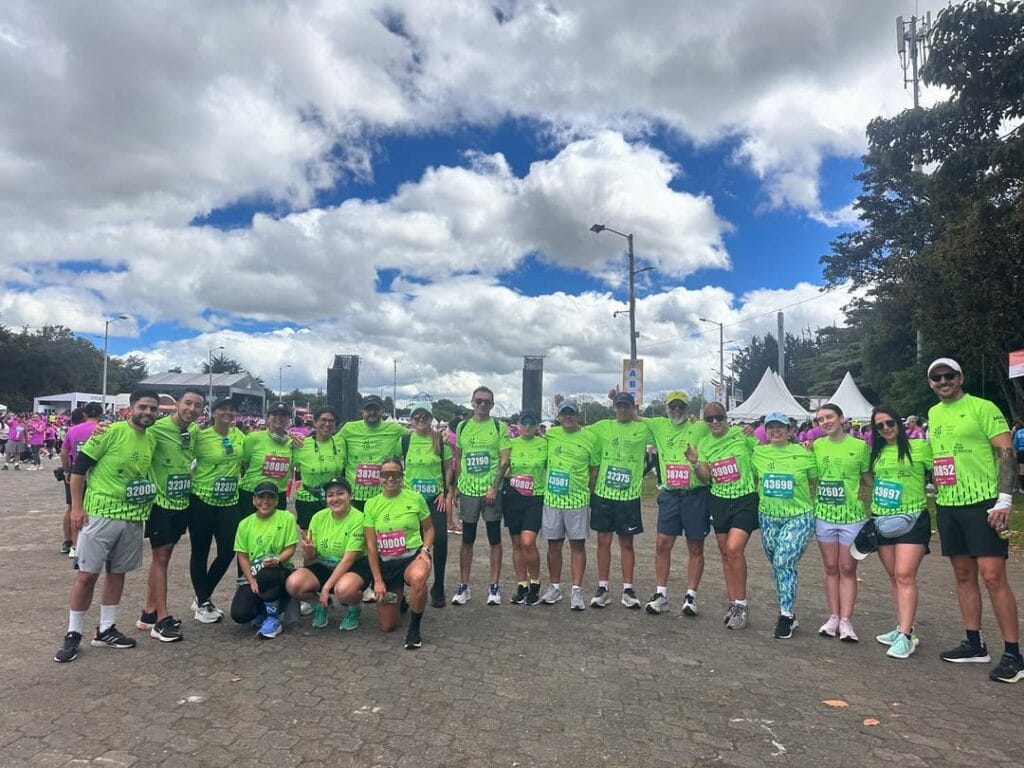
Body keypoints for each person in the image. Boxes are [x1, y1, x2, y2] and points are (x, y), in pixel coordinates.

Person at [926, 358, 1022, 683]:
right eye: (937, 378)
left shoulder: (983, 406)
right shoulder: (934, 413)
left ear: (960, 377)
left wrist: (1005, 499)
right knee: (963, 575)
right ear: (931, 383)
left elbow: (1007, 452)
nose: (943, 381)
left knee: (993, 577)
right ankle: (974, 642)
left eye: (948, 375)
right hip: (949, 504)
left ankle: (1013, 653)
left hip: (983, 504)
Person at [54, 390, 161, 663]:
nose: (148, 413)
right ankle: (73, 632)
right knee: (87, 574)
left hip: (133, 516)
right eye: (143, 407)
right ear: (131, 408)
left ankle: (106, 629)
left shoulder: (151, 438)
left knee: (117, 573)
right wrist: (77, 507)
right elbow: (79, 469)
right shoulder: (108, 432)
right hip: (100, 514)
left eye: (153, 409)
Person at [135, 388, 204, 642]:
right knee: (161, 557)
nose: (192, 409)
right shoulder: (155, 430)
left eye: (197, 405)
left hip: (181, 502)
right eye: (188, 403)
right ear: (177, 405)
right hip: (160, 504)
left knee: (162, 558)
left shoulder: (194, 431)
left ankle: (149, 612)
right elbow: (132, 434)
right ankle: (162, 620)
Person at [864, 405, 933, 659]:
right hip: (883, 520)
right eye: (879, 426)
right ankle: (902, 627)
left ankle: (905, 636)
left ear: (899, 423)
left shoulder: (919, 447)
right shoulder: (877, 453)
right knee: (894, 576)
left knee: (905, 575)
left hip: (913, 519)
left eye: (890, 423)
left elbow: (941, 468)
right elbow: (869, 478)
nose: (886, 429)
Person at [640, 391, 712, 618]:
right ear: (666, 408)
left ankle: (691, 596)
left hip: (695, 494)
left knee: (695, 546)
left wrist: (748, 430)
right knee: (662, 544)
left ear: (687, 408)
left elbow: (721, 428)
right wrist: (618, 397)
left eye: (681, 406)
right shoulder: (659, 425)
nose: (677, 410)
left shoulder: (699, 427)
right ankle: (661, 594)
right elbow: (631, 415)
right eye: (673, 406)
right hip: (670, 495)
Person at [750, 412, 817, 639]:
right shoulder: (758, 453)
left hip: (799, 516)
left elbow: (816, 479)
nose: (776, 431)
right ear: (765, 430)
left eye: (781, 427)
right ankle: (789, 610)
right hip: (768, 517)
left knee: (783, 560)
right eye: (771, 427)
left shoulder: (804, 453)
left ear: (790, 430)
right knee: (779, 566)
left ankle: (785, 615)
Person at [694, 402, 760, 624]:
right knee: (725, 553)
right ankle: (734, 602)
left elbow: (765, 454)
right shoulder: (704, 442)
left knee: (734, 549)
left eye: (719, 417)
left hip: (745, 499)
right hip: (719, 500)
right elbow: (705, 476)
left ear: (726, 418)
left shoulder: (742, 435)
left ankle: (742, 604)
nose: (714, 422)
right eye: (709, 419)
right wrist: (695, 463)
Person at [587, 392, 654, 610]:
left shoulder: (643, 429)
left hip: (628, 497)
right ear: (614, 407)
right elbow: (577, 431)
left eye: (626, 406)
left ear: (633, 408)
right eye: (619, 406)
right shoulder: (603, 426)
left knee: (626, 543)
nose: (622, 410)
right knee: (603, 542)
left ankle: (628, 589)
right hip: (604, 495)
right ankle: (602, 588)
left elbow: (665, 434)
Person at [811, 403, 870, 642]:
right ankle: (833, 616)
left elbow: (868, 479)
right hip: (824, 516)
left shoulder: (860, 446)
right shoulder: (816, 445)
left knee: (848, 568)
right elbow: (810, 475)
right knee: (830, 567)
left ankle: (846, 620)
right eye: (821, 419)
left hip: (852, 517)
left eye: (829, 417)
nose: (825, 422)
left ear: (842, 418)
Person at [362, 458, 434, 649]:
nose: (391, 478)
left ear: (402, 476)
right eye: (386, 474)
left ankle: (414, 628)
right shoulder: (371, 504)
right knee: (388, 626)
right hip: (387, 563)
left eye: (396, 474)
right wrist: (377, 580)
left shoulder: (415, 498)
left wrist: (425, 550)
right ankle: (401, 600)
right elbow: (370, 547)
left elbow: (429, 529)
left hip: (412, 556)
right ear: (380, 478)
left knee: (419, 578)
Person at [188, 397, 247, 623]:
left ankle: (202, 594)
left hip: (229, 502)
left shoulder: (238, 435)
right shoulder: (200, 437)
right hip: (202, 500)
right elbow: (184, 460)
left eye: (233, 410)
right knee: (200, 552)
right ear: (213, 412)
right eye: (224, 409)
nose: (229, 413)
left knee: (228, 550)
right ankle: (203, 602)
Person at [285, 477, 370, 630]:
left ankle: (354, 607)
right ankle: (320, 605)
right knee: (294, 584)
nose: (335, 499)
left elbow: (348, 560)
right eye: (330, 495)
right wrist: (309, 553)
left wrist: (325, 589)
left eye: (340, 493)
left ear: (350, 495)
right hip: (324, 566)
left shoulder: (359, 519)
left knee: (344, 590)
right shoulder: (318, 517)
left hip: (352, 568)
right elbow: (310, 561)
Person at [451, 387, 510, 606]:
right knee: (467, 539)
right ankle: (463, 586)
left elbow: (504, 460)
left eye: (487, 402)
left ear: (492, 405)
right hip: (468, 490)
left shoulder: (498, 427)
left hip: (490, 491)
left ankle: (494, 587)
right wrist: (457, 486)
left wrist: (494, 487)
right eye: (479, 401)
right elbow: (460, 457)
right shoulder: (462, 426)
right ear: (472, 403)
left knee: (494, 538)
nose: (483, 405)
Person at [539, 399, 599, 610]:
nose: (567, 417)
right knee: (553, 545)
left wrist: (587, 491)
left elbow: (594, 469)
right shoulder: (551, 434)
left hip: (577, 500)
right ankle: (555, 587)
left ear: (577, 414)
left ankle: (576, 590)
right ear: (558, 415)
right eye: (564, 413)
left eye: (571, 413)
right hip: (552, 500)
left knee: (577, 546)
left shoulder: (590, 438)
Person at [401, 401, 454, 607]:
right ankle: (404, 588)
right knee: (409, 542)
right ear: (411, 419)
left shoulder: (440, 441)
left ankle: (438, 585)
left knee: (439, 539)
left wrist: (445, 490)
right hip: (411, 501)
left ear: (431, 419)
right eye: (417, 416)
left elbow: (449, 467)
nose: (421, 419)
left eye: (425, 416)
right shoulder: (405, 441)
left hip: (434, 499)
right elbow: (394, 463)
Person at [231, 482, 297, 638]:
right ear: (254, 500)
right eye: (261, 497)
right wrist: (251, 580)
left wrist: (278, 559)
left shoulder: (286, 518)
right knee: (240, 614)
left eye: (270, 498)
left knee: (268, 574)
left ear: (276, 501)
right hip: (255, 572)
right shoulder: (245, 524)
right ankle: (262, 611)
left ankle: (273, 619)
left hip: (281, 569)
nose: (265, 502)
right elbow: (242, 555)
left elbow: (291, 548)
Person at [503, 412, 547, 605]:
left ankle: (535, 583)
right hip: (513, 497)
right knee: (516, 544)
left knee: (528, 542)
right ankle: (522, 584)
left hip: (535, 497)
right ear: (518, 425)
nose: (528, 426)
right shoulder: (511, 444)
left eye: (532, 423)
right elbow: (502, 466)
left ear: (537, 425)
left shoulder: (545, 444)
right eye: (524, 423)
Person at [339, 395, 408, 512]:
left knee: (382, 529)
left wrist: (442, 437)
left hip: (383, 493)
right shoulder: (349, 428)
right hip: (355, 495)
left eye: (375, 409)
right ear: (362, 412)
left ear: (382, 411)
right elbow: (329, 442)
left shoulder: (394, 429)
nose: (372, 412)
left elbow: (417, 436)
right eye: (368, 409)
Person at [292, 407, 346, 533]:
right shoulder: (301, 444)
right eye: (323, 420)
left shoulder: (341, 443)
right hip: (308, 500)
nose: (327, 424)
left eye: (331, 421)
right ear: (315, 422)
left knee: (334, 535)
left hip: (334, 499)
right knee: (310, 541)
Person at [239, 402, 296, 515]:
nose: (279, 418)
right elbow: (243, 463)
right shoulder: (253, 438)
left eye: (283, 415)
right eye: (275, 414)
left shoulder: (292, 442)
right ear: (267, 418)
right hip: (252, 493)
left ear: (288, 420)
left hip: (278, 495)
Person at [58, 407, 89, 556]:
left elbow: (64, 454)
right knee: (85, 507)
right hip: (91, 473)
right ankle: (79, 543)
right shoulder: (98, 429)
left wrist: (66, 471)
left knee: (72, 507)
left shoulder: (71, 430)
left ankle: (67, 541)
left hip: (72, 473)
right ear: (84, 416)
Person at [1013, 420, 1024, 493]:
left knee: (1022, 471)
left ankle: (1022, 488)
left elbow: (1015, 445)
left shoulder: (1018, 432)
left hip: (1020, 452)